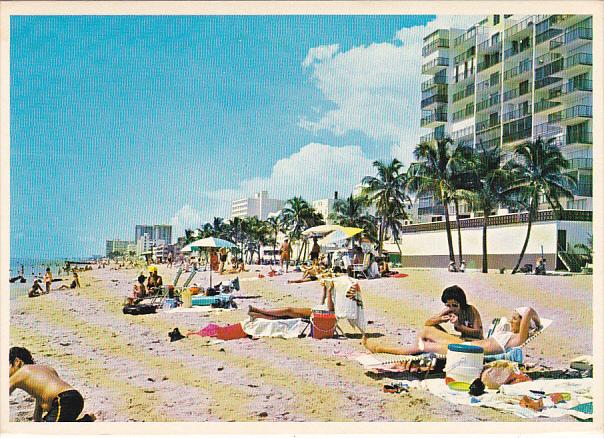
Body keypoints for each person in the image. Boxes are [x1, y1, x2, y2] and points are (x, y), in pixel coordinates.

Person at [364, 306, 541, 356]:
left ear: (524, 324)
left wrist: (536, 322)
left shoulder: (517, 340)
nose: (511, 320)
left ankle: (379, 349)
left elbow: (530, 311)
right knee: (426, 330)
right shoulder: (508, 333)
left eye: (516, 318)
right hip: (465, 344)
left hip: (468, 351)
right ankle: (391, 352)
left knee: (421, 345)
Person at [9, 347, 95, 422]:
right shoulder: (45, 369)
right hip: (75, 398)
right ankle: (87, 420)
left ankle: (86, 421)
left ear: (17, 362)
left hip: (62, 400)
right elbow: (40, 402)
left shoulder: (20, 372)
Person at [248, 276, 336, 319]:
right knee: (286, 315)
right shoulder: (331, 301)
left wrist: (328, 291)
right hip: (316, 311)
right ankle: (257, 314)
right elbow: (322, 303)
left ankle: (258, 311)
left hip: (316, 314)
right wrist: (325, 289)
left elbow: (330, 309)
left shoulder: (334, 305)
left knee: (288, 311)